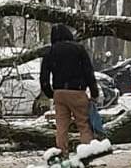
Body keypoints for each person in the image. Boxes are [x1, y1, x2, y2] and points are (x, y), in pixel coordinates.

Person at [40, 24, 100, 155]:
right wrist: (94, 92)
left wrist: (51, 93)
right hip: (77, 91)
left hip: (59, 92)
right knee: (83, 124)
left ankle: (62, 153)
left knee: (61, 127)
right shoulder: (79, 49)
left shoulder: (50, 51)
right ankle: (87, 153)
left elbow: (43, 77)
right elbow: (88, 72)